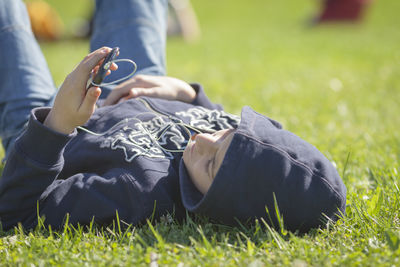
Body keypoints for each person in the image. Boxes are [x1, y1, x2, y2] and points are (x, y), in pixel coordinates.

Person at [0, 0, 346, 233]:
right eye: (228, 134)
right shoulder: (230, 143)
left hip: (49, 130)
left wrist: (56, 125)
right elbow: (213, 120)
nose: (202, 140)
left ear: (218, 205)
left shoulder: (141, 194)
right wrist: (185, 93)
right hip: (138, 90)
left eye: (211, 165)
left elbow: (22, 212)